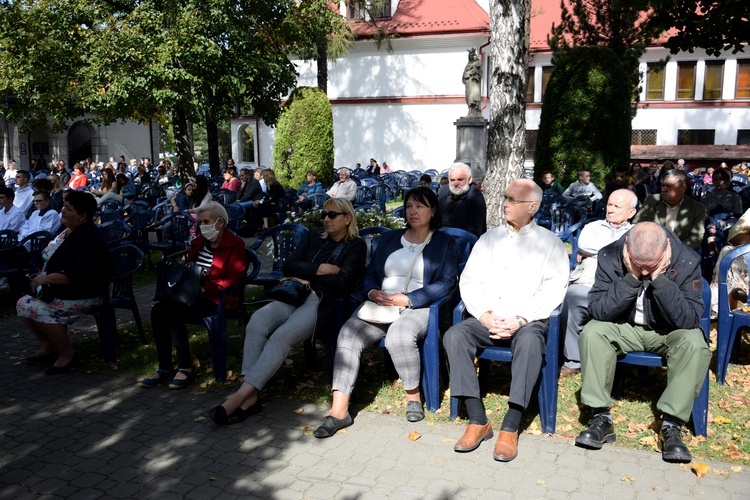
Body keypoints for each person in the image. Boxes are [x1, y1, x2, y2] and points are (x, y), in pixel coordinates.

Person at [208, 199, 366, 425]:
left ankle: (241, 396)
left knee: (282, 336)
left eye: (332, 215)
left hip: (319, 301)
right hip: (293, 293)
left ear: (347, 218)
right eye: (324, 214)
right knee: (257, 321)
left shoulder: (355, 246)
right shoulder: (313, 236)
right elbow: (289, 265)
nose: (326, 219)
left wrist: (310, 273)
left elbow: (341, 283)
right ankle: (251, 395)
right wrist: (319, 269)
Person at [314, 188, 458, 437]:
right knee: (348, 334)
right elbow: (370, 272)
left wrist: (410, 298)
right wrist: (372, 293)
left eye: (420, 206)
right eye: (409, 206)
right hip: (380, 306)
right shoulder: (391, 238)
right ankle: (339, 410)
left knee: (398, 336)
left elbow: (446, 282)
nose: (412, 211)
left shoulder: (445, 242)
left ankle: (413, 396)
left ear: (432, 211)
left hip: (418, 307)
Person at [443, 179, 568, 462]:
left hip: (527, 320)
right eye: (505, 197)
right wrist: (485, 314)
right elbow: (470, 280)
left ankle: (511, 425)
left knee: (530, 341)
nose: (505, 204)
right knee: (455, 335)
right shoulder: (489, 239)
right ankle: (477, 419)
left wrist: (521, 318)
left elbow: (554, 288)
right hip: (490, 316)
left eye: (513, 200)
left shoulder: (550, 243)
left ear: (532, 207)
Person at [575, 222, 710, 464]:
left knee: (694, 343)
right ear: (627, 249)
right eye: (640, 265)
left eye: (652, 266)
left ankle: (672, 424)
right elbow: (598, 310)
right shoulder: (609, 255)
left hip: (668, 330)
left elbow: (688, 320)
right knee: (593, 332)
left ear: (666, 249)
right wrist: (630, 278)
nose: (645, 272)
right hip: (624, 325)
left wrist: (660, 279)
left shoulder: (687, 260)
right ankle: (600, 417)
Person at [139, 202, 248, 389]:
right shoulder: (199, 242)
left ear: (220, 223)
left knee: (171, 310)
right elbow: (189, 270)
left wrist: (207, 288)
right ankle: (165, 366)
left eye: (206, 221)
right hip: (192, 295)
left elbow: (234, 278)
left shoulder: (235, 244)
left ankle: (185, 367)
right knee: (159, 310)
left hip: (217, 299)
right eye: (200, 222)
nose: (201, 226)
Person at [17, 191, 110, 374]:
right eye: (63, 207)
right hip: (63, 289)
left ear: (82, 216)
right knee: (23, 305)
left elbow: (75, 275)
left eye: (68, 209)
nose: (62, 211)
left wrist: (45, 279)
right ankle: (49, 346)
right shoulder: (67, 230)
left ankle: (67, 354)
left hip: (86, 291)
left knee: (40, 309)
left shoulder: (88, 238)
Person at [560, 189, 637, 377]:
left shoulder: (636, 232)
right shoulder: (592, 227)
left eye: (617, 206)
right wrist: (619, 247)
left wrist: (600, 249)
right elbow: (584, 245)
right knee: (571, 296)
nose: (610, 209)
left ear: (631, 212)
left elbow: (635, 252)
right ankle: (574, 359)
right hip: (587, 281)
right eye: (609, 204)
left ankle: (611, 356)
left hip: (619, 286)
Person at [632, 169, 706, 250]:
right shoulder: (652, 201)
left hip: (680, 254)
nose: (664, 189)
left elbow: (696, 239)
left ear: (683, 188)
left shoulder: (697, 208)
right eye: (663, 185)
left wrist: (671, 250)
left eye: (669, 186)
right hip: (650, 250)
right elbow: (636, 225)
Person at [437, 162, 487, 237]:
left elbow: (476, 230)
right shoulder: (442, 193)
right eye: (452, 180)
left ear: (469, 180)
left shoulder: (475, 196)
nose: (456, 183)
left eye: (460, 179)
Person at [462, 48, 482, 118]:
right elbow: (464, 75)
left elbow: (479, 73)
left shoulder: (478, 63)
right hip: (469, 84)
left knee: (474, 97)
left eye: (472, 55)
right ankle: (470, 112)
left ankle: (475, 112)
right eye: (470, 56)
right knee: (469, 98)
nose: (471, 57)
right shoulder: (468, 64)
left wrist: (472, 72)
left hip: (474, 84)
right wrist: (468, 74)